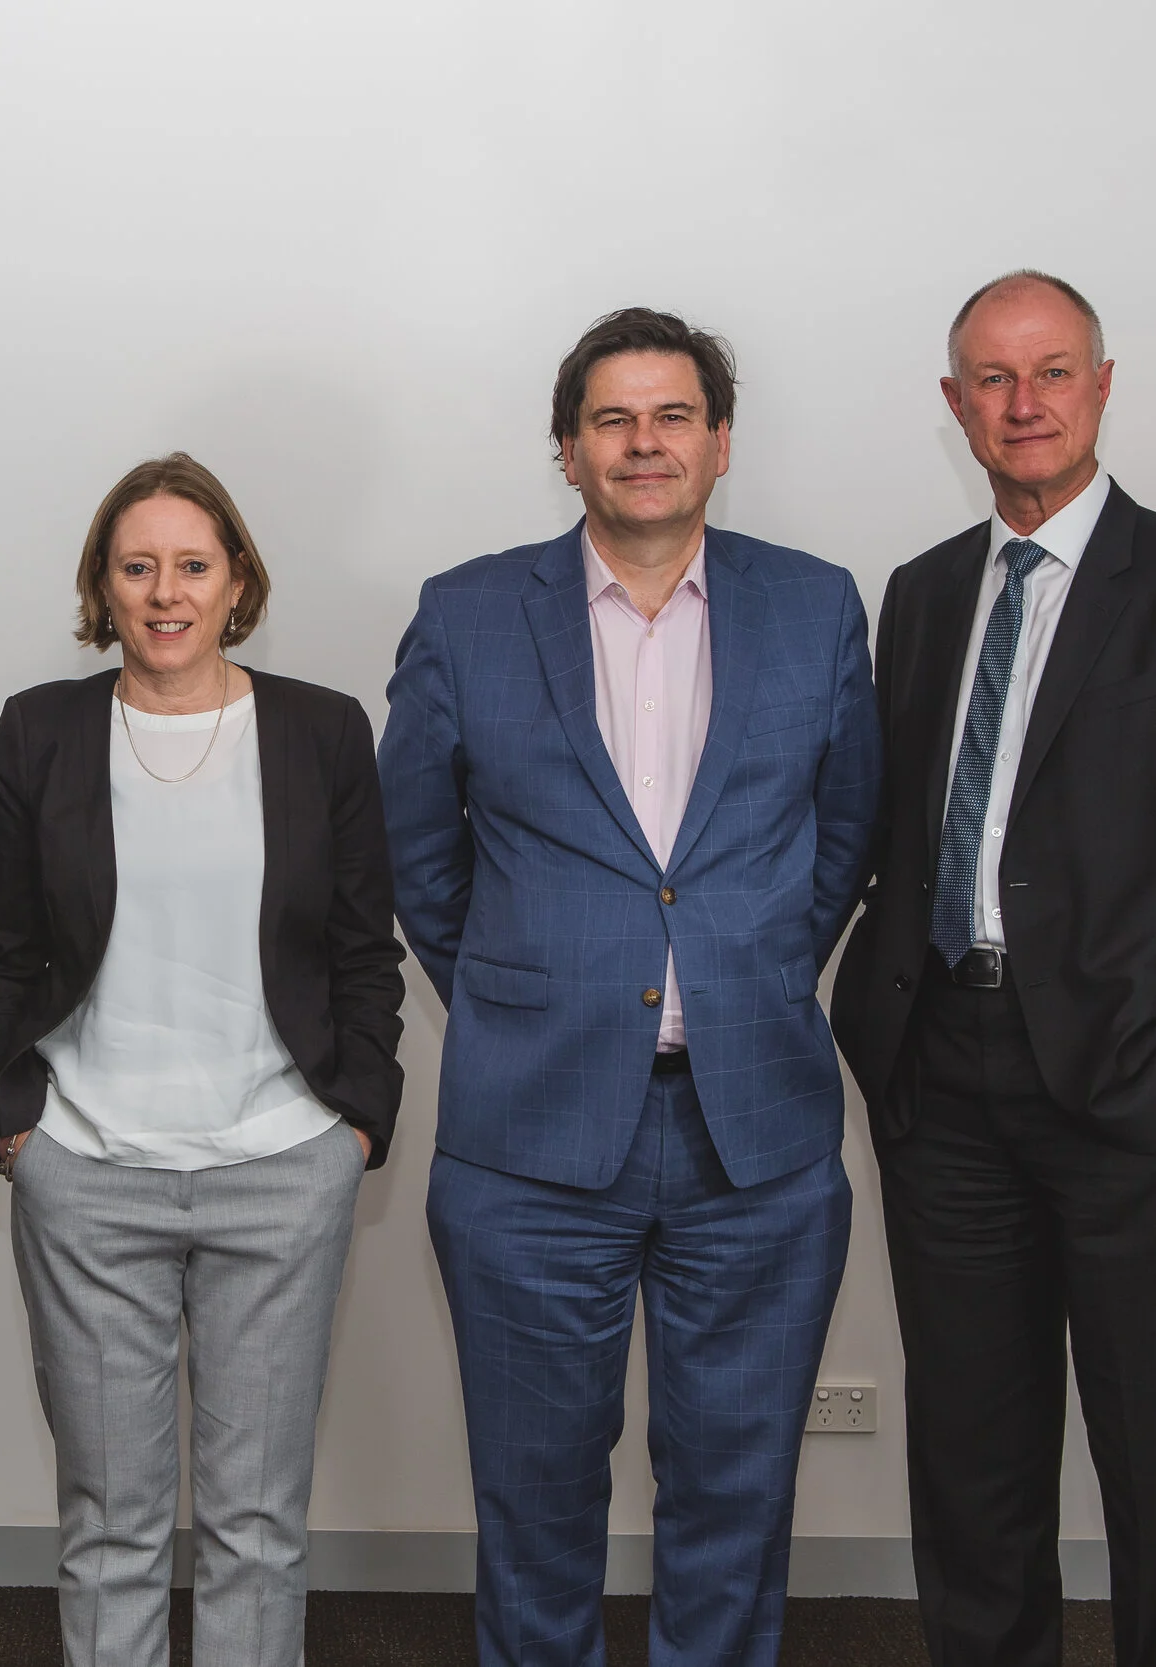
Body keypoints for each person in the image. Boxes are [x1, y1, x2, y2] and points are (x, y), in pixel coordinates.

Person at [828, 271, 1156, 1667]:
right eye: (992, 377)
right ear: (953, 405)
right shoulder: (923, 594)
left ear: (1103, 385)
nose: (1022, 402)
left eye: (1052, 372)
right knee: (972, 1454)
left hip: (1134, 1081)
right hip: (948, 1082)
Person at [380, 309, 880, 1667]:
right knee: (535, 1503)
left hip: (757, 1139)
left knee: (735, 1494)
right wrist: (528, 990)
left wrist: (748, 971)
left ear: (721, 442)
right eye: (612, 418)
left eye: (672, 417)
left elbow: (843, 842)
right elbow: (419, 855)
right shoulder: (471, 612)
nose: (642, 443)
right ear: (566, 449)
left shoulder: (816, 603)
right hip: (530, 1142)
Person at [0, 452, 405, 1667]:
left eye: (192, 565)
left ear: (237, 581)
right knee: (109, 1520)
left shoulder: (319, 730)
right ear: (102, 588)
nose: (165, 591)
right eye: (137, 565)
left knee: (256, 1520)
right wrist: (18, 1126)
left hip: (280, 1163)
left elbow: (367, 947)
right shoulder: (40, 731)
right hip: (88, 1170)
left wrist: (354, 1119)